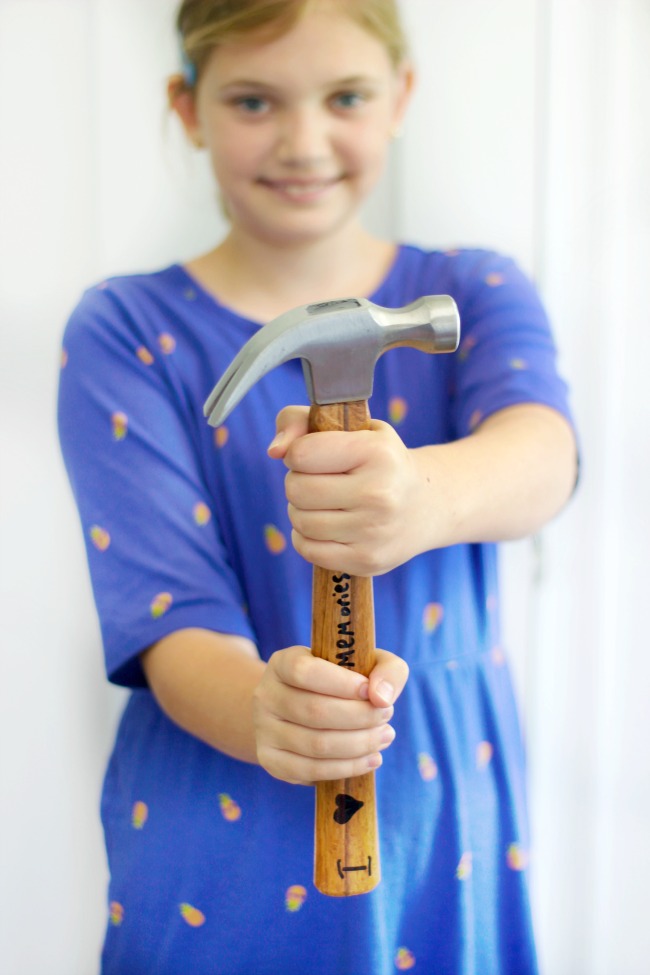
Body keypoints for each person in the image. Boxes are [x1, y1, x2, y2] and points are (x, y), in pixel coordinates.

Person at [57, 1, 578, 972]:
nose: (303, 141)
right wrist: (260, 707)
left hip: (437, 828)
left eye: (343, 95)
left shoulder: (473, 293)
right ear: (188, 106)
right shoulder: (122, 331)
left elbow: (542, 456)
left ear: (399, 97)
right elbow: (166, 617)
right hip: (216, 840)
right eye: (254, 99)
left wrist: (425, 497)